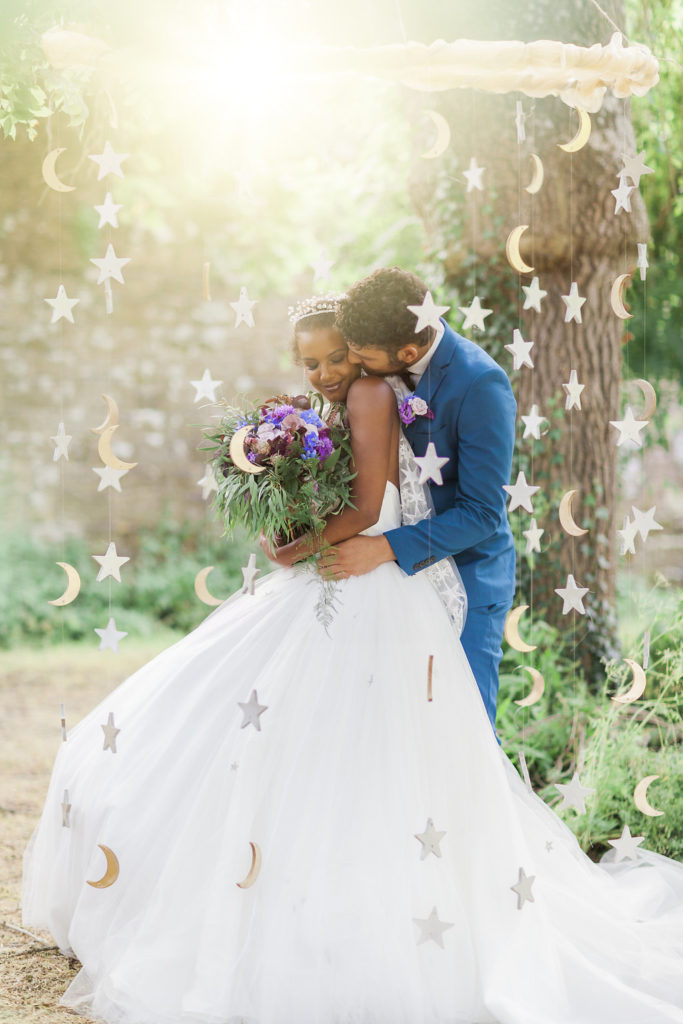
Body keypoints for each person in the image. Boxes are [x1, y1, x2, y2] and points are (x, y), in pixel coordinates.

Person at [22, 295, 683, 1024]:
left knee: (399, 749)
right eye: (315, 362)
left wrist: (292, 549)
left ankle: (427, 909)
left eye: (342, 355)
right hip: (361, 568)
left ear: (379, 350)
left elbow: (378, 508)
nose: (333, 371)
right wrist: (284, 473)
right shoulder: (353, 391)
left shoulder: (390, 388)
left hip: (390, 571)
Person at [317, 267, 517, 738]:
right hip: (389, 582)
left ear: (407, 353)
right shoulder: (380, 361)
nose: (355, 364)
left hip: (466, 572)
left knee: (458, 725)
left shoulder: (480, 384)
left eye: (361, 357)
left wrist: (384, 547)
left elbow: (483, 513)